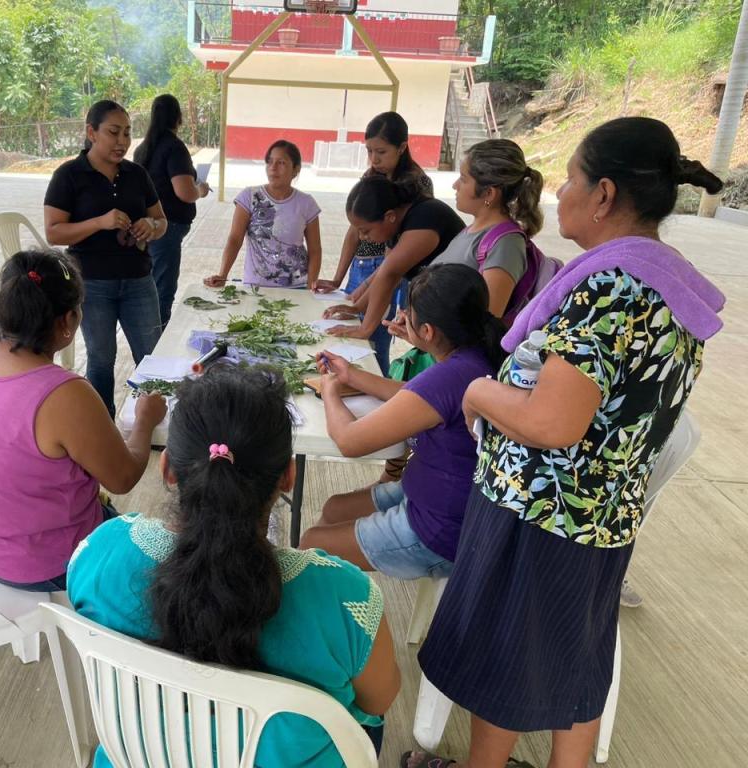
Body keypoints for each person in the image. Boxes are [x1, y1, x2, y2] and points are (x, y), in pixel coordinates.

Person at [406, 117, 725, 768]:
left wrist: (477, 395)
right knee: (573, 671)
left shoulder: (611, 288)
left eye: (573, 180)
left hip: (543, 515)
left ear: (603, 194)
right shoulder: (667, 284)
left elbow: (554, 423)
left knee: (503, 665)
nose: (562, 195)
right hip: (602, 521)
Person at [68, 365, 400, 767]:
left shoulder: (104, 552)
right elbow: (379, 699)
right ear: (288, 476)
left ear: (168, 469)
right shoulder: (346, 598)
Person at [0, 250, 167, 592]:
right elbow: (123, 477)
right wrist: (145, 420)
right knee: (164, 557)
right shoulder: (64, 394)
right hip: (44, 564)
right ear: (69, 321)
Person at [300, 265, 503, 580]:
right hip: (430, 498)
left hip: (438, 530)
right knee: (334, 509)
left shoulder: (448, 375)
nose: (403, 317)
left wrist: (329, 391)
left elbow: (349, 441)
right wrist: (351, 375)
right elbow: (415, 397)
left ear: (427, 332)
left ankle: (342, 617)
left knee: (312, 544)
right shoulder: (472, 357)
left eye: (409, 314)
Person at [44, 100, 168, 417]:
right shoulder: (69, 175)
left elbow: (162, 221)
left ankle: (154, 423)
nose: (122, 141)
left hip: (139, 281)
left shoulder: (136, 174)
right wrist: (99, 222)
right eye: (113, 132)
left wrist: (151, 226)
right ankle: (102, 428)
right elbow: (54, 233)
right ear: (91, 132)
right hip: (92, 284)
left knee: (151, 358)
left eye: (127, 133)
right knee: (101, 360)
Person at [316, 112, 433, 373]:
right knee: (348, 329)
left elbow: (394, 263)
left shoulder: (416, 184)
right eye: (369, 151)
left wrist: (364, 312)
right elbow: (355, 229)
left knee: (372, 340)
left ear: (402, 147)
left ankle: (373, 392)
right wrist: (338, 279)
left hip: (391, 267)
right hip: (367, 268)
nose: (374, 159)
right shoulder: (371, 176)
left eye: (381, 151)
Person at [324, 175, 465, 374]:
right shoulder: (396, 223)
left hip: (457, 310)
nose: (363, 238)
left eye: (365, 231)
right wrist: (356, 308)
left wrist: (365, 329)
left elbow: (390, 275)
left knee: (445, 371)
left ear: (389, 216)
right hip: (440, 303)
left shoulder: (424, 218)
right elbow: (384, 272)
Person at [433, 139, 544, 320]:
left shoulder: (506, 245)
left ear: (489, 193)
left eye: (463, 179)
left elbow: (484, 324)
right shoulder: (471, 230)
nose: (455, 185)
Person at [204, 140, 322, 289]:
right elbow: (234, 239)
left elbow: (315, 250)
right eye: (270, 162)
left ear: (295, 169)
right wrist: (222, 275)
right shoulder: (249, 197)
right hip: (256, 287)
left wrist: (310, 288)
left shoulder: (307, 203)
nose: (273, 168)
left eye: (281, 163)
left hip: (296, 287)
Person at [134, 94, 209, 328]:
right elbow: (184, 192)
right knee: (163, 288)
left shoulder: (143, 149)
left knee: (150, 283)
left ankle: (149, 333)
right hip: (168, 226)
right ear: (178, 118)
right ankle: (156, 338)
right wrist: (201, 190)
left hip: (146, 225)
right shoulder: (174, 148)